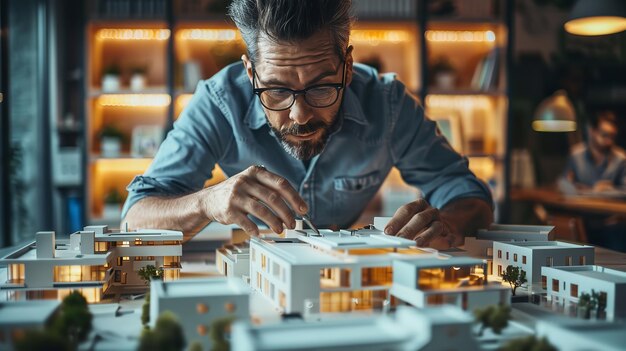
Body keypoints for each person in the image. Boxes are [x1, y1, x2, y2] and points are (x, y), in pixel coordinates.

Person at [121, 0, 493, 249]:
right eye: (278, 90)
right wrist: (206, 201)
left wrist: (448, 222)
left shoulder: (388, 103)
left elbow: (466, 193)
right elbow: (135, 218)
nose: (299, 116)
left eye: (320, 88)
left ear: (347, 69)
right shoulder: (218, 102)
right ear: (251, 72)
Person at [560, 111, 626, 193]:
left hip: (607, 205)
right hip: (580, 205)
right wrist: (592, 191)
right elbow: (563, 184)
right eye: (604, 135)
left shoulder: (620, 159)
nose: (609, 141)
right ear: (592, 132)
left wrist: (608, 190)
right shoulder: (576, 155)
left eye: (612, 137)